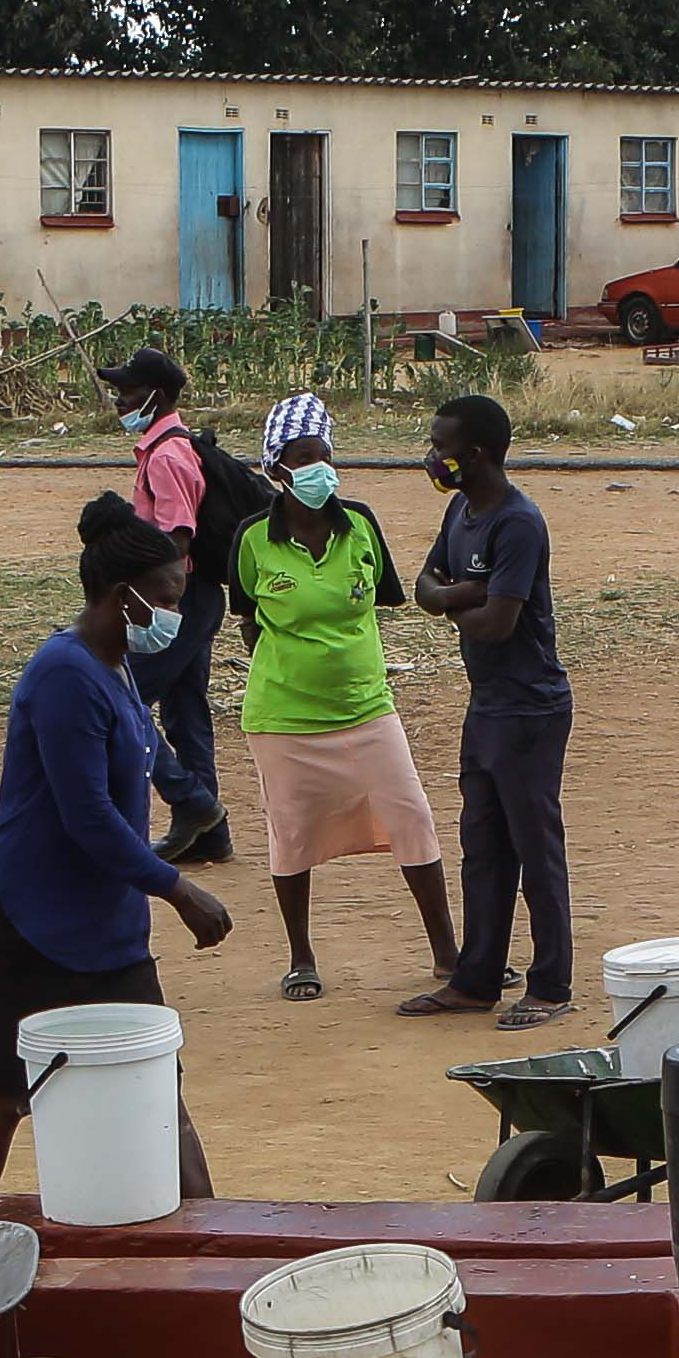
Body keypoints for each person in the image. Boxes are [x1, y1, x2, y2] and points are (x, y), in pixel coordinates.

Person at [0, 498, 234, 1196]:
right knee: (4, 1091)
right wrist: (179, 887)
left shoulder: (115, 666)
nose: (176, 612)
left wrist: (191, 798)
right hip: (23, 917)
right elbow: (89, 817)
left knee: (161, 1088)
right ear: (122, 596)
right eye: (166, 597)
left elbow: (144, 741)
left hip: (104, 926)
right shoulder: (63, 674)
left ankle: (217, 1250)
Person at [226, 390, 461, 1002]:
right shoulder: (252, 539)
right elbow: (248, 620)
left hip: (365, 706)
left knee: (411, 817)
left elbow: (382, 597)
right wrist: (291, 668)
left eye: (323, 456)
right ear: (276, 470)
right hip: (283, 718)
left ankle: (447, 953)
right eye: (302, 461)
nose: (317, 472)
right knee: (293, 832)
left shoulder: (360, 525)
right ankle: (301, 957)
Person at [400, 389, 576, 1030]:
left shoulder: (517, 522)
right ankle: (476, 980)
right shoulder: (462, 514)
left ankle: (552, 984)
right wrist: (464, 593)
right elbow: (422, 587)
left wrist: (456, 599)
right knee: (483, 844)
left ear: (474, 455)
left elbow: (500, 624)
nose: (432, 457)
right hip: (488, 706)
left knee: (535, 846)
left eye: (441, 447)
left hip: (530, 709)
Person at [101, 346, 236, 866]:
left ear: (154, 395)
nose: (119, 400)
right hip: (190, 596)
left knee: (124, 701)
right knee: (185, 712)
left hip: (179, 597)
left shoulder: (168, 456)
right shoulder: (167, 449)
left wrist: (151, 606)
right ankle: (209, 833)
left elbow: (177, 538)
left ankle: (191, 800)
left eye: (127, 390)